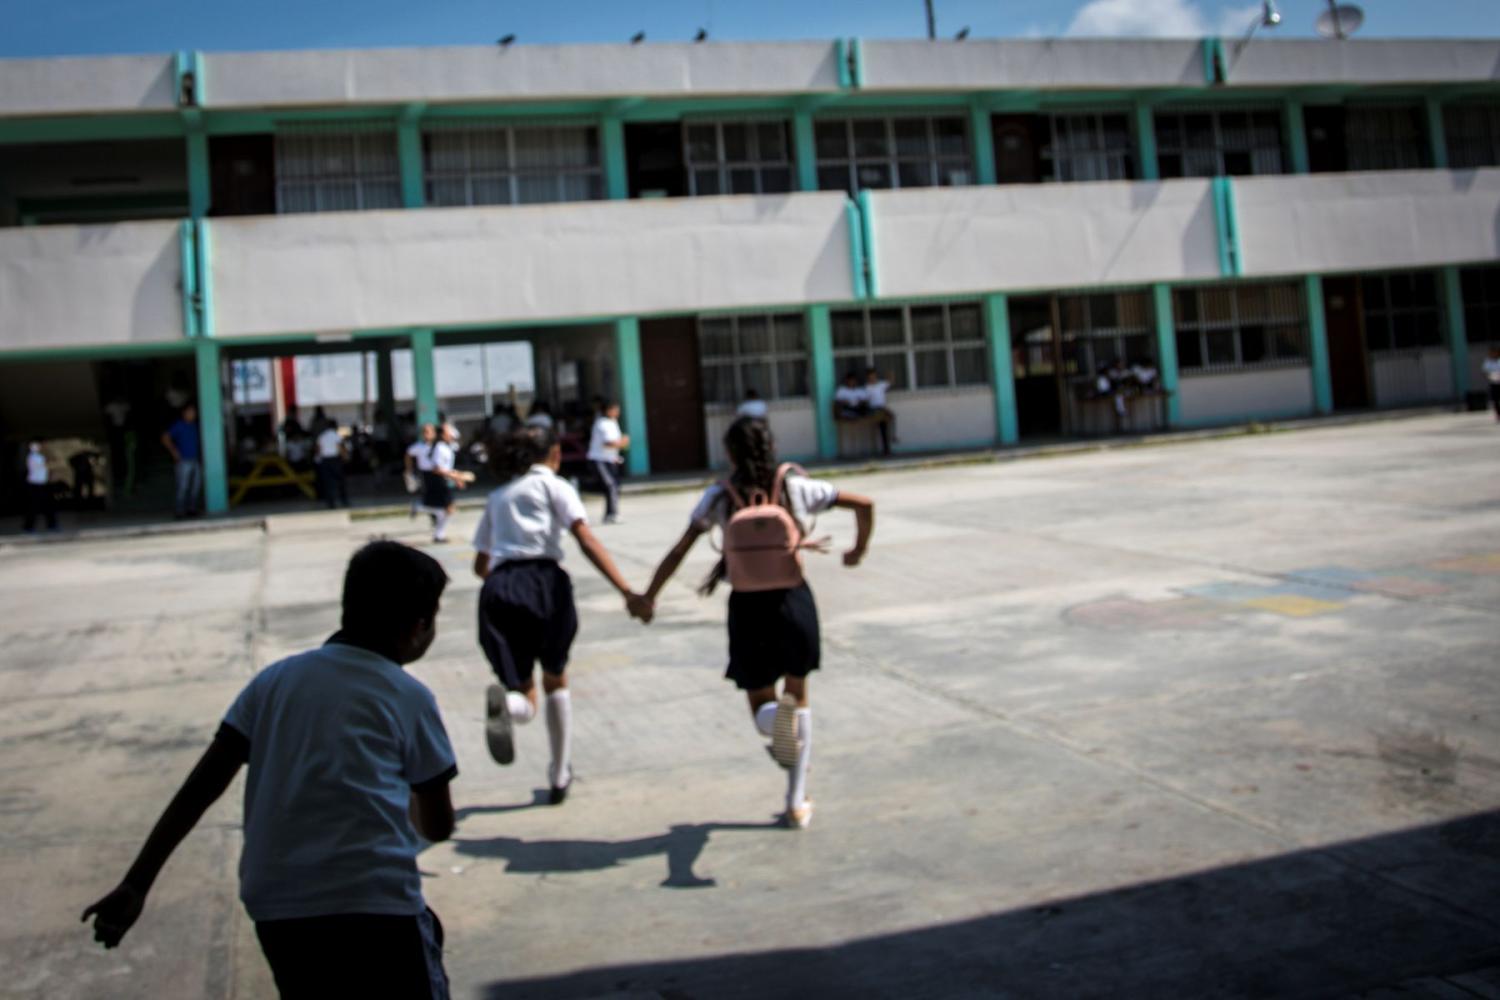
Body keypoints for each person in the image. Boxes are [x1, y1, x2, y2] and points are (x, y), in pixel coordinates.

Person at [81, 541, 458, 998]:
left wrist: (136, 883)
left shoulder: (273, 682)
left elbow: (199, 789)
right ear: (419, 627)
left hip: (278, 909)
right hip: (375, 906)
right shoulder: (409, 698)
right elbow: (438, 825)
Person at [639, 417, 874, 829]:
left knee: (761, 699)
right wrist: (857, 549)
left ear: (729, 453)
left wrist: (649, 595)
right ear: (772, 446)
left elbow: (679, 549)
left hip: (748, 607)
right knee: (797, 694)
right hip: (793, 602)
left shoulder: (719, 497)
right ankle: (796, 801)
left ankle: (774, 724)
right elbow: (864, 504)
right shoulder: (797, 486)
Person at [473, 426, 653, 804]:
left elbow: (480, 564)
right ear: (554, 454)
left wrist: (505, 583)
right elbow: (585, 539)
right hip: (545, 584)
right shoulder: (556, 487)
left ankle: (508, 707)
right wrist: (626, 591)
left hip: (500, 587)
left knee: (524, 688)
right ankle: (559, 773)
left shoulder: (499, 496)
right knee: (555, 675)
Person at [419, 423, 468, 543]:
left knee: (446, 509)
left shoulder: (446, 446)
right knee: (448, 508)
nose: (451, 434)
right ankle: (420, 509)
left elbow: (446, 467)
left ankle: (438, 534)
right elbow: (437, 468)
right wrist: (455, 476)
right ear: (442, 434)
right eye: (448, 432)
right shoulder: (440, 447)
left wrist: (457, 478)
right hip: (438, 480)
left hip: (443, 479)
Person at [586, 400, 630, 525]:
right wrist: (623, 442)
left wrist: (617, 451)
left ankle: (610, 513)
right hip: (599, 459)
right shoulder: (602, 423)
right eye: (615, 409)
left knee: (614, 486)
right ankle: (612, 514)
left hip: (610, 459)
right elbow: (609, 443)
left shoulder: (613, 422)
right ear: (608, 410)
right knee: (610, 485)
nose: (618, 412)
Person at [161, 404, 203, 519]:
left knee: (196, 486)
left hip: (195, 460)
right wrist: (174, 452)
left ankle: (192, 509)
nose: (192, 414)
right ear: (184, 413)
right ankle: (179, 511)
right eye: (190, 412)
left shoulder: (194, 426)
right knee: (183, 487)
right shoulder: (179, 425)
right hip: (183, 461)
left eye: (194, 412)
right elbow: (165, 438)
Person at [22, 441, 58, 533]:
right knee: (33, 507)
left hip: (43, 484)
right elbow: (50, 463)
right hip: (34, 485)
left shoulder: (40, 456)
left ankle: (51, 525)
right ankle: (28, 527)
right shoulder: (34, 457)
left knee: (48, 506)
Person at [314, 421, 349, 509]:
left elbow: (318, 449)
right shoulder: (336, 435)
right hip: (334, 460)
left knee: (328, 483)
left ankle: (331, 503)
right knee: (340, 481)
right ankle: (344, 500)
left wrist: (317, 458)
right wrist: (345, 457)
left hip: (325, 460)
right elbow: (339, 447)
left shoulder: (322, 436)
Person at [405, 423, 437, 516]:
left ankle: (419, 508)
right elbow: (408, 455)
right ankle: (431, 515)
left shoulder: (438, 445)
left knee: (437, 496)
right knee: (429, 496)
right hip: (425, 474)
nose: (426, 434)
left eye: (428, 432)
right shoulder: (419, 446)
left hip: (438, 473)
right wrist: (409, 469)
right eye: (424, 432)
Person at [864, 368, 897, 456]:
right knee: (883, 426)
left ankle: (893, 437)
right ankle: (886, 448)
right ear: (868, 378)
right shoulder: (867, 387)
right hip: (874, 409)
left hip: (882, 408)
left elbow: (890, 383)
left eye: (874, 376)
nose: (872, 378)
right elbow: (866, 400)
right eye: (870, 377)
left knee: (891, 417)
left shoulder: (880, 384)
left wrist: (890, 374)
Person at [1484, 345, 1500, 422]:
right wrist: (1490, 376)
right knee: (1495, 400)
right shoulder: (1488, 362)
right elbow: (1485, 372)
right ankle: (1498, 414)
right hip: (1493, 383)